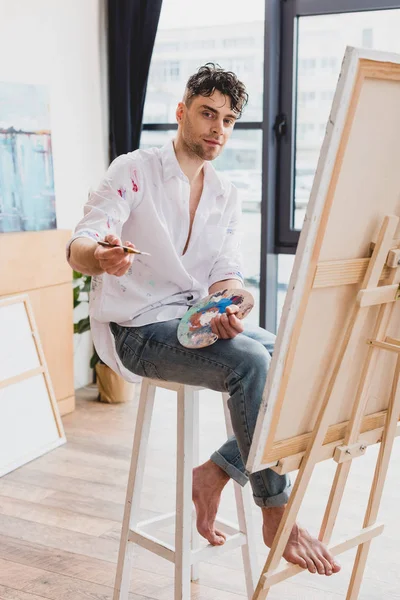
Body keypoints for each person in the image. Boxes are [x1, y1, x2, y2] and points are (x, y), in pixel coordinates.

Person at [67, 63, 340, 577]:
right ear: (182, 113)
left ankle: (217, 470)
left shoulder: (225, 194)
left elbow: (225, 272)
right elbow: (82, 241)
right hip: (139, 331)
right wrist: (101, 256)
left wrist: (235, 301)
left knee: (291, 361)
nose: (218, 128)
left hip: (193, 318)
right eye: (207, 113)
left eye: (229, 119)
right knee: (251, 364)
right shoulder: (134, 171)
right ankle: (275, 509)